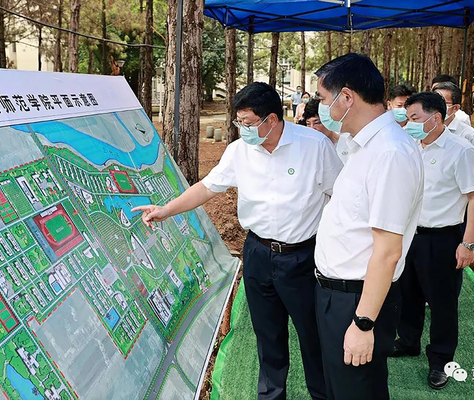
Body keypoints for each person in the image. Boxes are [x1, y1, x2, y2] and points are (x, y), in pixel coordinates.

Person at [133, 82, 342, 400]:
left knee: (312, 334)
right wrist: (166, 210)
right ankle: (271, 395)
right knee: (267, 334)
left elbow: (339, 194)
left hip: (302, 256)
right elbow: (207, 187)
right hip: (258, 254)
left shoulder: (314, 146)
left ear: (272, 119)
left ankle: (323, 394)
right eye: (239, 122)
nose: (243, 129)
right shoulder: (238, 151)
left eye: (248, 123)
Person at [313, 53, 424, 399]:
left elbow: (388, 251)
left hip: (358, 301)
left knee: (357, 390)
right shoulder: (364, 145)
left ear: (347, 97)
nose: (322, 108)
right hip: (338, 294)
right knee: (340, 388)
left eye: (324, 99)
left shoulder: (389, 153)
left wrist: (363, 324)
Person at [391, 92, 474, 391]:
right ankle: (408, 341)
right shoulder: (411, 145)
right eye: (408, 118)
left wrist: (468, 243)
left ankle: (441, 361)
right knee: (408, 293)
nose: (410, 123)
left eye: (415, 118)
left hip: (442, 237)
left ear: (436, 117)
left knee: (442, 303)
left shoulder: (461, 150)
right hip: (410, 234)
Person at [433, 82, 474, 172]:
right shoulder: (426, 131)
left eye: (442, 102)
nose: (435, 106)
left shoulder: (470, 135)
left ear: (455, 108)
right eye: (433, 101)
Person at [302, 97, 350, 163]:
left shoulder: (347, 143)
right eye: (308, 124)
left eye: (317, 123)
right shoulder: (308, 149)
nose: (312, 128)